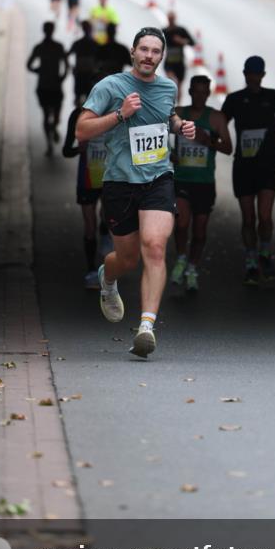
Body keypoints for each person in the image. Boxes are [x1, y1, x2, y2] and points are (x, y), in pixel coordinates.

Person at [75, 27, 196, 358]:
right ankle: (107, 277)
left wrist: (180, 125)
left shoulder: (168, 87)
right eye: (143, 49)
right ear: (132, 52)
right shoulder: (111, 86)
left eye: (155, 51)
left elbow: (166, 117)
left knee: (155, 247)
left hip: (158, 177)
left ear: (161, 56)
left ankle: (146, 326)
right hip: (120, 182)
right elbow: (81, 129)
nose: (149, 56)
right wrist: (119, 115)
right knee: (126, 259)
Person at [222, 56, 275, 285]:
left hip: (267, 165)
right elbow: (220, 123)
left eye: (257, 74)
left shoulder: (273, 97)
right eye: (249, 73)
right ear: (244, 74)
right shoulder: (234, 99)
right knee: (248, 218)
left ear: (262, 75)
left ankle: (265, 253)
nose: (252, 77)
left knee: (265, 216)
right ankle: (251, 262)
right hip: (243, 166)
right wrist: (217, 143)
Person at [170, 75, 232, 292]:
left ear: (208, 94)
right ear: (190, 91)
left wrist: (210, 141)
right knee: (181, 224)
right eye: (195, 91)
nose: (199, 95)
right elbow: (156, 134)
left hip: (204, 182)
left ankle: (192, 268)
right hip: (181, 179)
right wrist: (168, 153)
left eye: (203, 92)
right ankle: (180, 258)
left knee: (199, 232)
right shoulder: (178, 114)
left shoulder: (215, 118)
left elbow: (228, 147)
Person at [62, 106, 108, 289]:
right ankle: (91, 271)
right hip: (87, 178)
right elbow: (66, 151)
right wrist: (79, 149)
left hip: (110, 177)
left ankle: (106, 235)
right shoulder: (78, 115)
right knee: (90, 226)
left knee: (108, 218)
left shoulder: (118, 113)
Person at [26, 22, 68, 156]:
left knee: (46, 115)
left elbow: (29, 65)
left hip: (43, 86)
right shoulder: (58, 47)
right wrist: (62, 77)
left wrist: (38, 70)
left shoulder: (39, 47)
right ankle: (54, 130)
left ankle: (49, 142)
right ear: (52, 30)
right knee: (55, 114)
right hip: (55, 86)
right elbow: (67, 65)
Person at [163, 10, 194, 101]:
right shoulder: (164, 31)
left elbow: (192, 42)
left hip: (180, 62)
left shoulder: (181, 30)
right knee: (172, 82)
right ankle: (170, 102)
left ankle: (178, 106)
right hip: (169, 62)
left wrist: (182, 41)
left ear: (175, 19)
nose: (171, 21)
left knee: (179, 86)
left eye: (172, 19)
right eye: (169, 19)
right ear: (167, 19)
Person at [68, 20, 99, 106]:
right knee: (89, 99)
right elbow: (101, 60)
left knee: (78, 98)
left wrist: (71, 67)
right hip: (90, 74)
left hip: (80, 73)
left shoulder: (78, 43)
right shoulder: (95, 44)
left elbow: (66, 55)